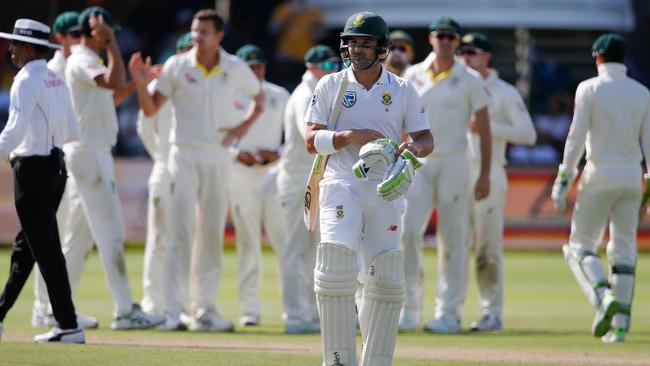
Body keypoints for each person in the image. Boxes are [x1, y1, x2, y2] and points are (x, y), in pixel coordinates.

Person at [305, 11, 433, 365]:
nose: (356, 49)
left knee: (387, 275)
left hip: (385, 187)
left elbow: (425, 137)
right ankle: (337, 360)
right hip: (341, 183)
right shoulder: (331, 85)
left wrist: (413, 150)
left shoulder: (403, 89)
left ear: (382, 49)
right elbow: (310, 140)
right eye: (351, 42)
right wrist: (349, 136)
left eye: (365, 43)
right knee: (335, 266)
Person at [129, 9, 263, 332]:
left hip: (217, 157)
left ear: (219, 36)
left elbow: (258, 100)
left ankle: (204, 309)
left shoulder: (235, 68)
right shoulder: (177, 65)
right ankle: (174, 311)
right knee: (179, 233)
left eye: (204, 32)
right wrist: (139, 84)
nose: (197, 37)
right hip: (183, 157)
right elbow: (151, 110)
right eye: (194, 31)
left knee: (212, 235)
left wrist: (241, 129)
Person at [39, 6, 164, 330]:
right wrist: (110, 45)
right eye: (109, 32)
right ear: (95, 32)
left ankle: (57, 309)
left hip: (88, 152)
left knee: (78, 240)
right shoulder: (82, 58)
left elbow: (111, 95)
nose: (113, 38)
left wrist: (138, 82)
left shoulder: (84, 62)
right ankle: (125, 311)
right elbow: (111, 82)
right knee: (111, 233)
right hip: (90, 154)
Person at [551, 33, 650, 343]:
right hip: (632, 176)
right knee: (623, 247)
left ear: (597, 57)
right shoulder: (642, 92)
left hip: (599, 172)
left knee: (579, 246)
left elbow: (575, 137)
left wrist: (563, 177)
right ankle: (620, 326)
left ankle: (603, 296)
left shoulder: (589, 88)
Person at [399, 17, 492, 333]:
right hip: (418, 162)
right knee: (407, 233)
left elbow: (484, 127)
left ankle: (449, 313)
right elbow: (401, 122)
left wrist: (485, 174)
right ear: (431, 39)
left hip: (455, 161)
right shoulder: (412, 75)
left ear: (457, 41)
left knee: (453, 239)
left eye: (452, 37)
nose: (447, 41)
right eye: (441, 36)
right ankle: (409, 309)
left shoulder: (469, 78)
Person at [0, 18, 84, 343]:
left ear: (29, 47)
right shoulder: (56, 80)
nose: (11, 50)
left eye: (16, 45)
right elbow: (73, 131)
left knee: (46, 250)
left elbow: (14, 131)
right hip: (55, 169)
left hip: (32, 170)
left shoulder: (25, 80)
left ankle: (68, 324)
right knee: (27, 250)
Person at [459, 32, 537, 331]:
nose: (466, 57)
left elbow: (527, 134)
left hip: (489, 171)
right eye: (462, 51)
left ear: (487, 55)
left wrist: (487, 127)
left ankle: (491, 313)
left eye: (473, 52)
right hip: (455, 170)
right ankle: (447, 312)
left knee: (487, 247)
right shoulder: (453, 85)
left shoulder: (503, 92)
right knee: (451, 245)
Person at [31, 10, 99, 330]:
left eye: (80, 35)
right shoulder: (49, 71)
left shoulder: (75, 67)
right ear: (59, 38)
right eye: (72, 35)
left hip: (64, 158)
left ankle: (57, 305)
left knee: (72, 237)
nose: (78, 40)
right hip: (49, 159)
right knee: (51, 237)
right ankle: (44, 307)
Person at [277, 44, 339, 334]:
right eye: (326, 66)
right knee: (296, 249)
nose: (332, 71)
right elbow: (311, 138)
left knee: (315, 250)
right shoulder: (306, 94)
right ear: (310, 66)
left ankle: (313, 313)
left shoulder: (323, 92)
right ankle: (294, 315)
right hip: (297, 178)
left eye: (334, 65)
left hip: (315, 177)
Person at [228, 44, 289, 327]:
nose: (255, 71)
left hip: (273, 174)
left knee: (284, 242)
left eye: (259, 66)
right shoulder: (230, 97)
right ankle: (250, 310)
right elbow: (217, 137)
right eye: (250, 66)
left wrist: (278, 152)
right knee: (247, 242)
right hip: (241, 173)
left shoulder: (279, 95)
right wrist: (235, 154)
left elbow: (296, 138)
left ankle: (294, 309)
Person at [136, 32, 192, 318]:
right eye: (185, 51)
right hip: (164, 168)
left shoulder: (197, 87)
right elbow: (144, 128)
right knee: (158, 238)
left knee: (183, 238)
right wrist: (161, 157)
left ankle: (178, 303)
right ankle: (151, 302)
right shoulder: (160, 84)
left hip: (186, 169)